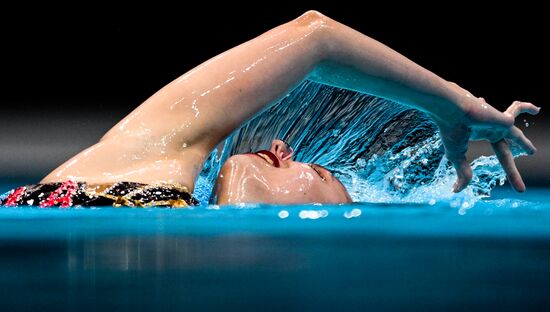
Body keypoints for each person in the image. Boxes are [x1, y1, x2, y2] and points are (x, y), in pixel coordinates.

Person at [1, 10, 540, 208]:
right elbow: (316, 36)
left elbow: (317, 37)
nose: (280, 150)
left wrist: (457, 108)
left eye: (322, 172)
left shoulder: (144, 174)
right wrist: (459, 106)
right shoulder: (140, 165)